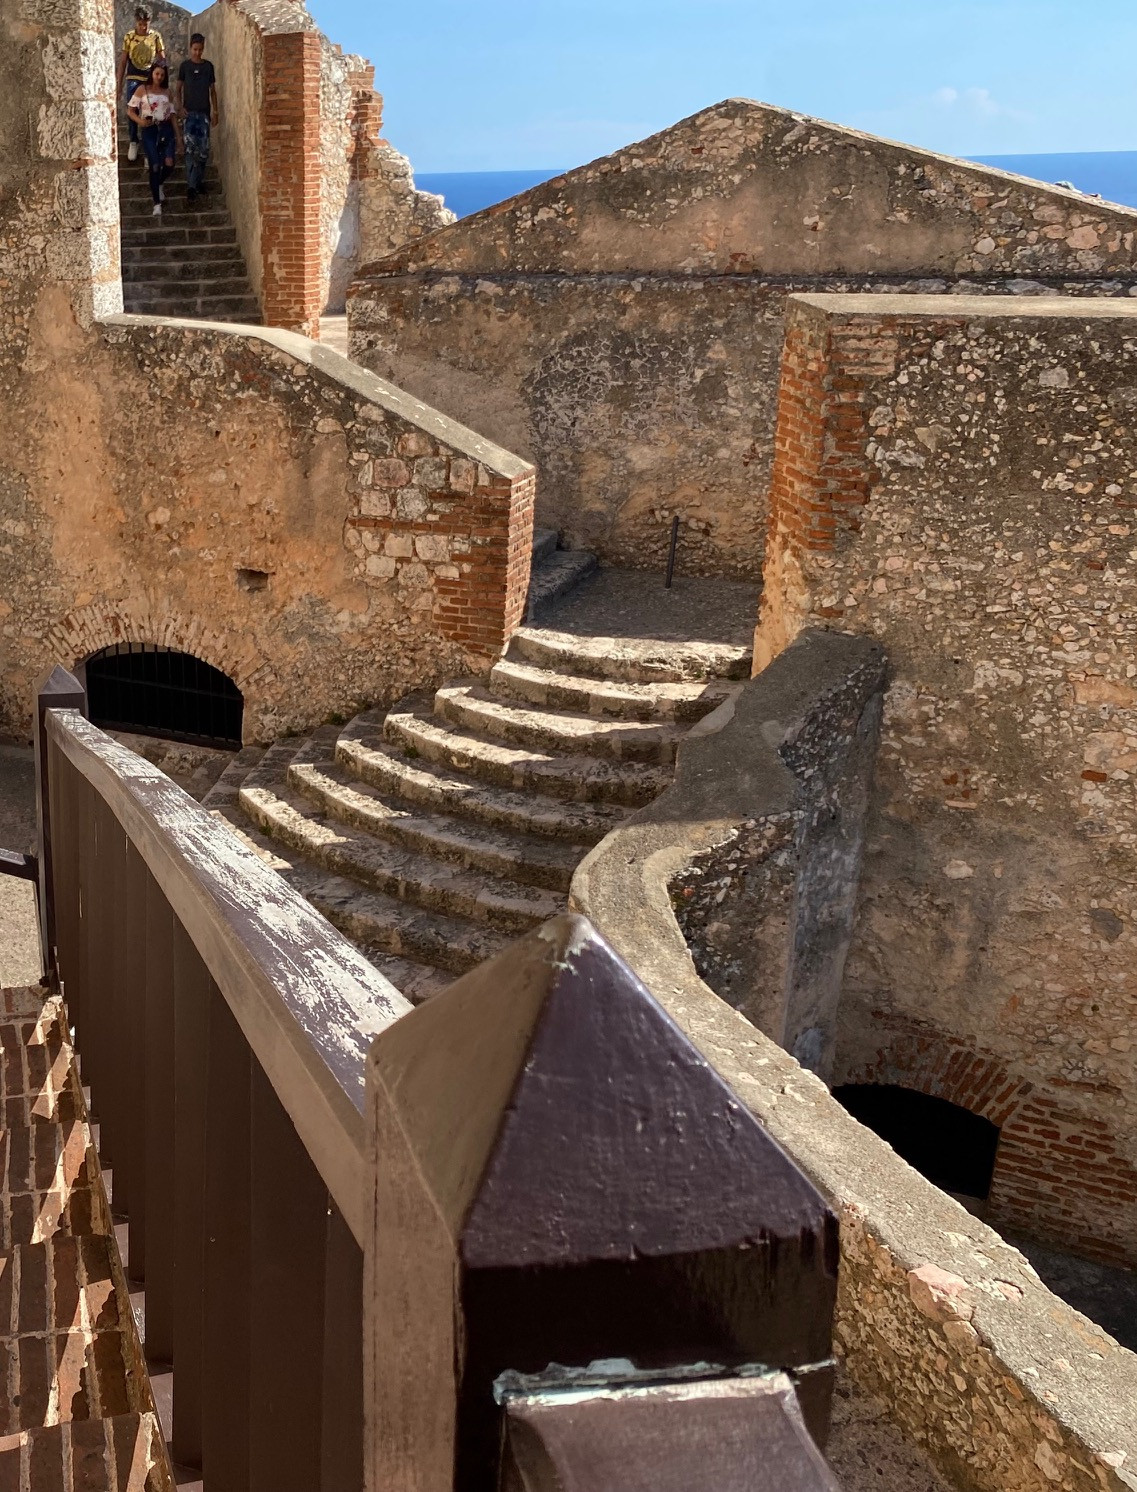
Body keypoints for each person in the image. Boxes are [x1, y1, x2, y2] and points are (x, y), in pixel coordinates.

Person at [128, 60, 177, 217]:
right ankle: (156, 203)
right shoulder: (142, 89)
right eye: (157, 74)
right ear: (152, 74)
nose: (159, 77)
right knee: (155, 165)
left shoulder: (167, 92)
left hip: (165, 128)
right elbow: (130, 110)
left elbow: (173, 115)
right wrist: (140, 121)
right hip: (149, 129)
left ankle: (159, 183)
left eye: (162, 75)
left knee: (169, 164)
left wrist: (179, 136)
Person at [116, 7, 165, 163]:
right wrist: (118, 85)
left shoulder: (156, 37)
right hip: (133, 78)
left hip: (149, 79)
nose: (143, 27)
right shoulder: (129, 37)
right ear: (136, 22)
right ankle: (133, 140)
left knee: (151, 110)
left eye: (146, 23)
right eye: (140, 23)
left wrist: (163, 83)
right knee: (133, 108)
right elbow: (123, 61)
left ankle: (148, 147)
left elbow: (162, 61)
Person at [176, 34, 220, 207]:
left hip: (204, 114)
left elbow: (213, 91)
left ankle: (198, 181)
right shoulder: (184, 66)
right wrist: (180, 107)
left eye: (200, 50)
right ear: (190, 48)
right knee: (190, 150)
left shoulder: (208, 67)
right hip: (189, 114)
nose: (197, 53)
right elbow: (178, 88)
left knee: (203, 151)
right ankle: (191, 187)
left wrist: (215, 111)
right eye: (195, 49)